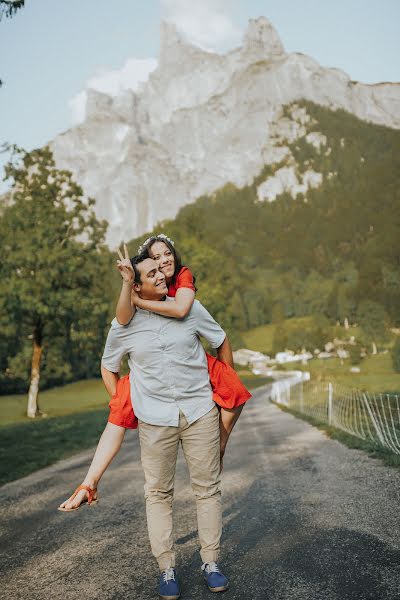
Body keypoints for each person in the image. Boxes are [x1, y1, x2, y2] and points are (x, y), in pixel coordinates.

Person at [59, 235, 250, 514]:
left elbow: (182, 309)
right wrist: (129, 400)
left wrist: (141, 301)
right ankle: (88, 484)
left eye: (166, 255)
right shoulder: (137, 288)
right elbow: (123, 320)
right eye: (156, 260)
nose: (163, 264)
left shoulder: (182, 278)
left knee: (233, 392)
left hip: (187, 359)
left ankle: (219, 445)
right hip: (151, 374)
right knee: (119, 411)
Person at [103, 254, 241, 596]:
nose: (163, 275)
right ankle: (167, 570)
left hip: (199, 413)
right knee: (158, 494)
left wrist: (225, 383)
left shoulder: (189, 307)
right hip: (155, 421)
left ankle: (211, 562)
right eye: (152, 273)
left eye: (161, 268)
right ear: (137, 286)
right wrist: (129, 401)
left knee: (207, 489)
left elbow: (220, 340)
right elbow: (109, 366)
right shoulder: (124, 324)